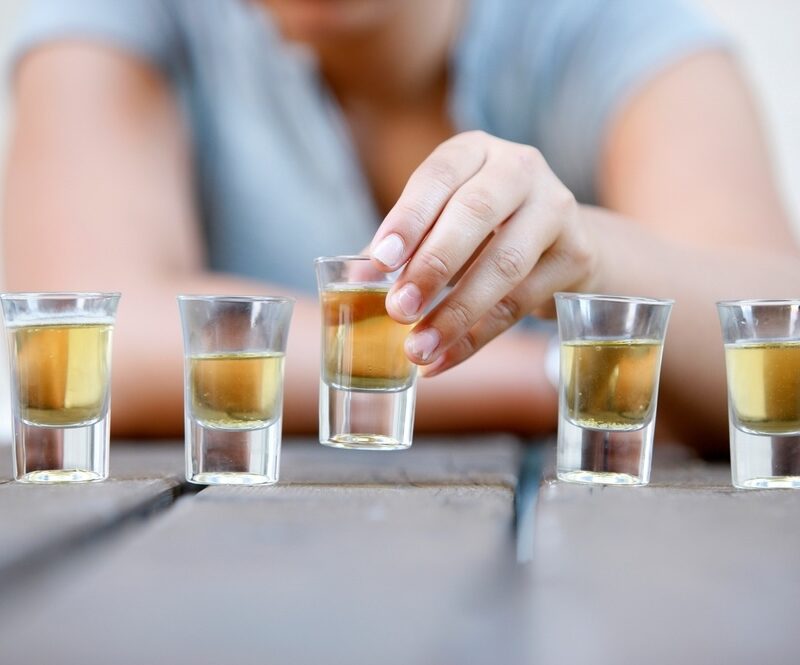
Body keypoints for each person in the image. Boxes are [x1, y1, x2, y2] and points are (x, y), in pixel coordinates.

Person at [3, 0, 797, 452]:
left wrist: (589, 258)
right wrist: (566, 375)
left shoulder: (607, 28)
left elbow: (778, 337)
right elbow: (82, 340)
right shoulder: (121, 20)